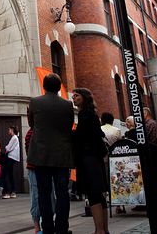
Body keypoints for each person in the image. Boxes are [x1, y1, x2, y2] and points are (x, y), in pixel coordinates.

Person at [28, 73, 75, 234]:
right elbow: (69, 127)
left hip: (41, 155)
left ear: (44, 86)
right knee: (62, 193)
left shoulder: (35, 102)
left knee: (44, 193)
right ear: (58, 86)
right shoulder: (67, 105)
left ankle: (47, 228)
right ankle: (62, 228)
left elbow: (32, 124)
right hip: (62, 155)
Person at [71, 88, 110, 234]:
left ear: (84, 97)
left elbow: (83, 136)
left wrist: (72, 133)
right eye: (73, 96)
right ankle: (103, 229)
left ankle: (99, 230)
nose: (74, 98)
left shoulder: (85, 114)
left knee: (93, 193)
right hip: (95, 157)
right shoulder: (91, 113)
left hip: (89, 158)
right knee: (99, 194)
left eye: (76, 96)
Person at [1, 126, 20, 199]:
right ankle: (13, 191)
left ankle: (7, 192)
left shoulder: (14, 138)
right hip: (12, 157)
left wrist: (6, 147)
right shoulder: (15, 138)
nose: (8, 131)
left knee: (4, 174)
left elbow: (8, 148)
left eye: (9, 129)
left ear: (12, 130)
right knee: (10, 174)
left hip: (11, 157)